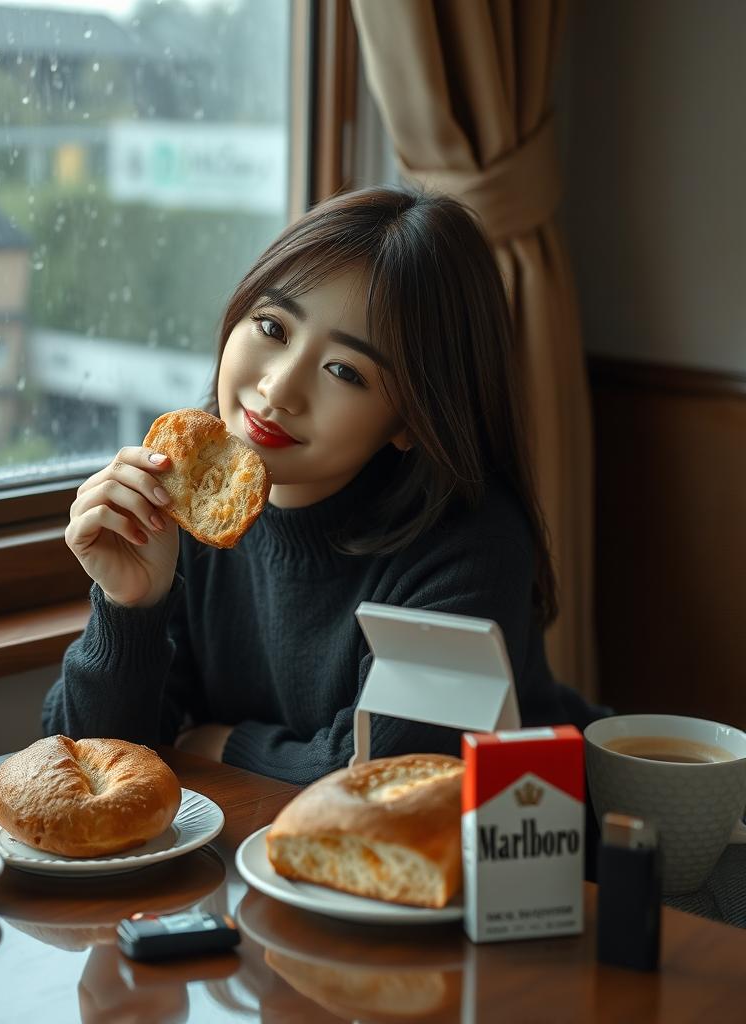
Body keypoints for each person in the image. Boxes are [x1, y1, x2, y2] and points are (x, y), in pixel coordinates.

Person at [42, 185, 603, 786]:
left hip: (546, 850)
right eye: (272, 326)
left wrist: (228, 745)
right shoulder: (187, 504)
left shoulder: (470, 546)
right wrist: (130, 607)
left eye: (345, 370)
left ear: (412, 422)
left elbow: (385, 782)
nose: (280, 389)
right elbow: (85, 767)